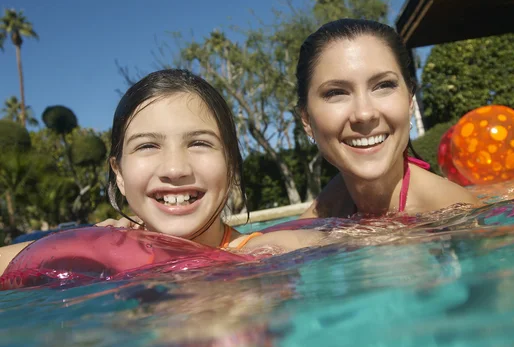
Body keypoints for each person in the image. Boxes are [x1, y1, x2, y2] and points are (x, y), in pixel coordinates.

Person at [0, 70, 321, 275]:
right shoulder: (97, 251)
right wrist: (89, 241)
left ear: (233, 165)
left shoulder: (276, 251)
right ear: (119, 174)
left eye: (198, 142)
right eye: (147, 146)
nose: (175, 169)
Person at [294, 19, 478, 219]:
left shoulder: (462, 217)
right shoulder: (329, 206)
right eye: (336, 92)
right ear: (306, 120)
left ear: (409, 101)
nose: (364, 114)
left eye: (383, 85)